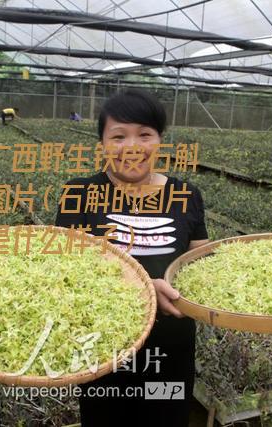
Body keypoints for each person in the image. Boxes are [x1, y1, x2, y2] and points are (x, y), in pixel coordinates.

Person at [55, 89, 209, 426]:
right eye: (119, 136)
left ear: (159, 140)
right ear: (102, 144)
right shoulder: (79, 194)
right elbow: (67, 275)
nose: (132, 146)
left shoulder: (187, 195)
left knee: (165, 417)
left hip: (169, 348)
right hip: (103, 348)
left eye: (144, 134)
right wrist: (141, 290)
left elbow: (199, 264)